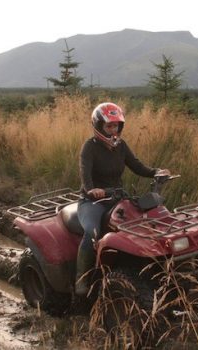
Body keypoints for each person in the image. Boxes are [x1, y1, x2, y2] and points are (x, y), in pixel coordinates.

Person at [76, 102, 170, 295]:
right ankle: (82, 281)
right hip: (93, 202)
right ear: (98, 126)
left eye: (116, 125)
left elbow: (137, 166)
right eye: (109, 126)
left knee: (147, 223)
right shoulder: (89, 147)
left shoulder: (121, 146)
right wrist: (92, 189)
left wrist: (156, 173)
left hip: (118, 198)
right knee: (91, 232)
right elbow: (85, 174)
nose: (113, 130)